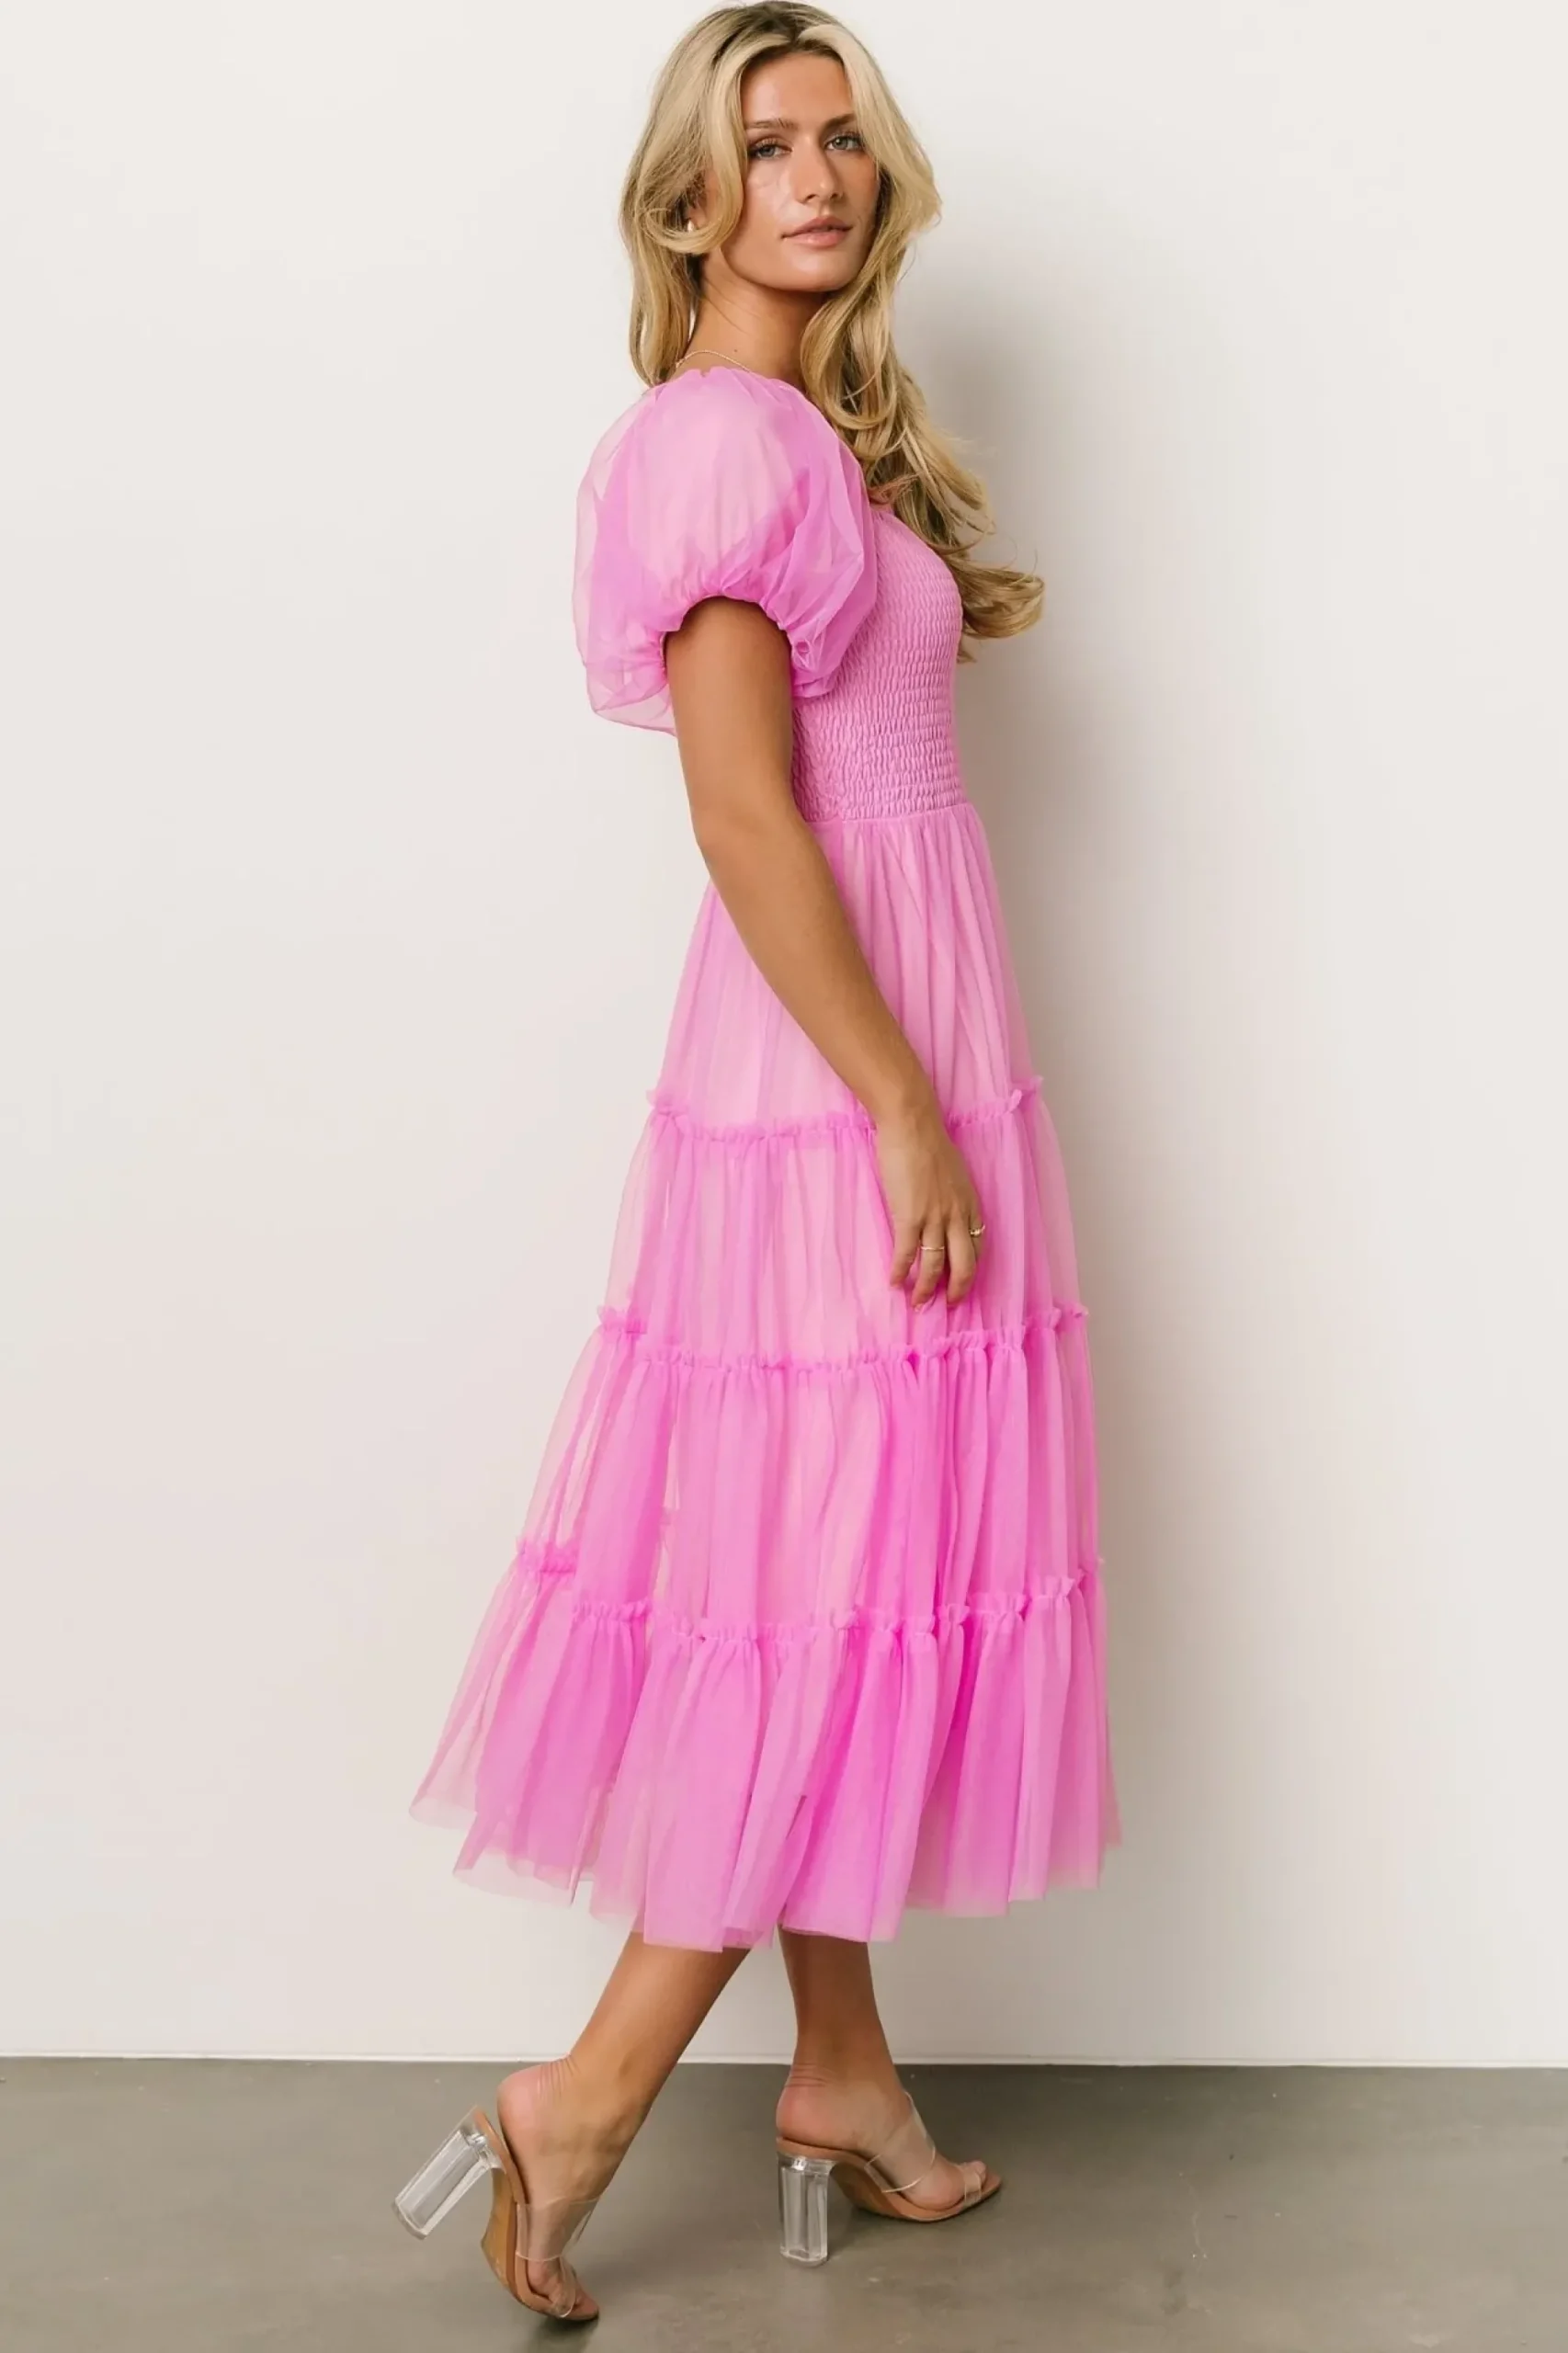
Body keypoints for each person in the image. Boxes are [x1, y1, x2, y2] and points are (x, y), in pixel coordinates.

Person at [395, 2, 1119, 2323]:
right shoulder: (719, 441)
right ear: (688, 196)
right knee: (822, 1592)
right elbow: (737, 811)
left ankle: (843, 2072)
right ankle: (586, 2093)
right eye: (764, 141)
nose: (813, 174)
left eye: (840, 138)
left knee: (848, 1565)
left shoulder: (812, 435)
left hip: (892, 1032)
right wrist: (899, 1099)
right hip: (835, 1065)